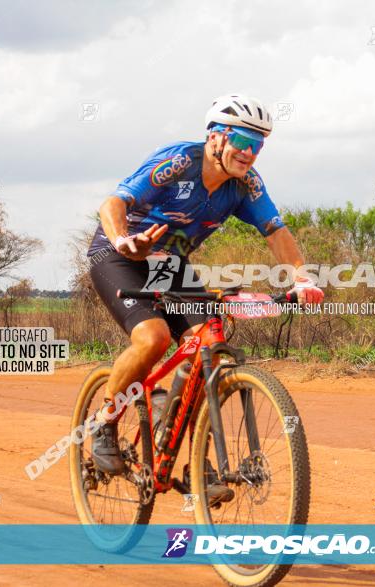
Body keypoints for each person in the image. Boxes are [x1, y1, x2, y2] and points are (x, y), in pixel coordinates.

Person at [86, 94, 324, 504]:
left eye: (259, 145)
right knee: (154, 339)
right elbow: (114, 203)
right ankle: (104, 424)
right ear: (215, 137)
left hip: (170, 264)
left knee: (209, 349)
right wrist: (125, 239)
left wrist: (302, 278)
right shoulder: (179, 163)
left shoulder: (245, 185)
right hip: (120, 255)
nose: (250, 153)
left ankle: (190, 450)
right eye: (243, 142)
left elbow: (276, 232)